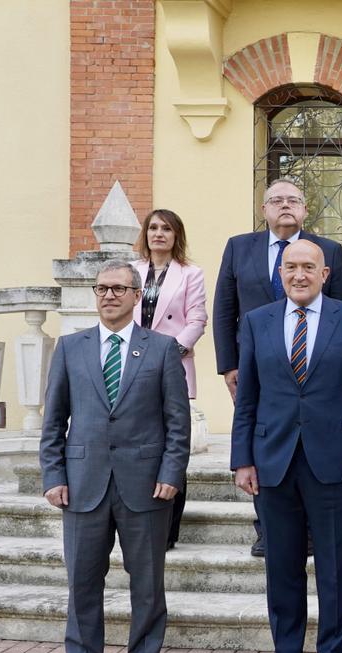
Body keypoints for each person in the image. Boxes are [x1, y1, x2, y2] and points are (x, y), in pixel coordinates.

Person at [230, 240, 342, 653]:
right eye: (290, 267)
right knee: (282, 568)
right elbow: (248, 399)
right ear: (281, 273)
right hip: (273, 462)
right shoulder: (257, 322)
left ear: (324, 274)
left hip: (336, 464)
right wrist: (243, 459)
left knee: (336, 568)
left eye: (308, 267)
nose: (299, 274)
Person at [39, 260, 190, 653]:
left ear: (136, 296)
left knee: (147, 584)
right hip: (82, 485)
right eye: (102, 288)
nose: (108, 295)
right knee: (83, 583)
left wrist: (171, 473)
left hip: (145, 488)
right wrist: (53, 476)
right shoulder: (71, 347)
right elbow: (53, 419)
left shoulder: (161, 348)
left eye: (119, 289)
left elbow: (178, 422)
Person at [213, 177, 342, 557]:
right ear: (264, 210)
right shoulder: (240, 247)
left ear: (306, 210)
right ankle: (267, 528)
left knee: (309, 447)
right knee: (265, 443)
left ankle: (308, 529)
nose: (285, 206)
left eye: (293, 200)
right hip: (257, 369)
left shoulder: (329, 251)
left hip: (316, 373)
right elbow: (224, 308)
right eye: (276, 200)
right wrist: (229, 365)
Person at [131, 208, 207, 551]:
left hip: (171, 363)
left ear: (177, 236)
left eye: (166, 229)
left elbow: (197, 318)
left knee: (172, 446)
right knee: (139, 445)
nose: (158, 234)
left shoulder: (190, 273)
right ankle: (139, 519)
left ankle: (169, 528)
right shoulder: (130, 271)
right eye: (153, 228)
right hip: (131, 366)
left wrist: (170, 351)